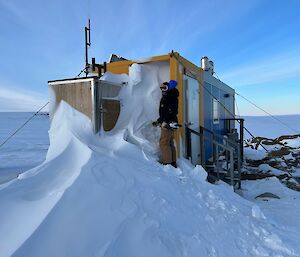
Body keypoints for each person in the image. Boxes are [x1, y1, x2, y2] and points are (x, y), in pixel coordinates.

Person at [153, 80, 179, 168]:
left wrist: (164, 121)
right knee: (170, 142)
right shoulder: (172, 96)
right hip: (172, 121)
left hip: (168, 122)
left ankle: (167, 163)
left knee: (164, 142)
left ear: (168, 88)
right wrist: (159, 120)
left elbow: (169, 111)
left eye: (164, 88)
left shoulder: (169, 96)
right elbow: (166, 111)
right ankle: (173, 161)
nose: (162, 90)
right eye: (161, 88)